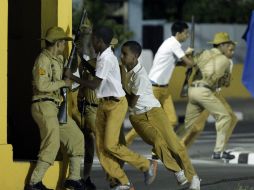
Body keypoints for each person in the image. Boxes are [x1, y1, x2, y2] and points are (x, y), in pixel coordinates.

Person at [66, 26, 158, 190]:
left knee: (110, 145)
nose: (92, 43)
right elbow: (97, 72)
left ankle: (146, 164)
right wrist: (81, 58)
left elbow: (94, 84)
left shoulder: (107, 58)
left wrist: (71, 77)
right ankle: (122, 182)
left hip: (115, 104)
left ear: (99, 41)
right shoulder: (102, 56)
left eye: (93, 40)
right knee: (101, 148)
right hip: (104, 104)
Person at [120, 40, 200, 190]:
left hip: (153, 112)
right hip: (137, 117)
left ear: (135, 56)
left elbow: (130, 102)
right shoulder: (124, 70)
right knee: (157, 141)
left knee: (175, 146)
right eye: (121, 53)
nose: (121, 56)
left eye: (125, 54)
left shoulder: (140, 75)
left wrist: (119, 87)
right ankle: (177, 171)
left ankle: (192, 177)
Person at [25, 26, 85, 190]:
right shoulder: (42, 60)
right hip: (43, 104)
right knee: (51, 143)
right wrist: (62, 83)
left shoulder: (59, 59)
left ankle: (73, 178)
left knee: (76, 138)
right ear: (58, 43)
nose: (64, 46)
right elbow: (41, 84)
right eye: (63, 43)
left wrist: (76, 51)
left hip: (57, 106)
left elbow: (72, 70)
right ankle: (34, 183)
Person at [125, 21, 194, 158]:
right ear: (178, 33)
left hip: (164, 89)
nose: (187, 36)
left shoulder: (172, 45)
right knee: (145, 120)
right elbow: (188, 63)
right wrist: (192, 57)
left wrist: (187, 58)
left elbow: (179, 63)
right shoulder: (173, 43)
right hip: (154, 88)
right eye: (186, 33)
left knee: (172, 120)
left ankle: (157, 149)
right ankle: (125, 143)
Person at [178, 32, 237, 160]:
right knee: (225, 117)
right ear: (221, 45)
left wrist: (187, 54)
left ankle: (168, 148)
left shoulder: (203, 53)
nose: (228, 48)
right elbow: (225, 83)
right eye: (227, 44)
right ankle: (218, 152)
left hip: (192, 91)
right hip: (205, 92)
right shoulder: (226, 60)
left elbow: (183, 63)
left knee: (188, 126)